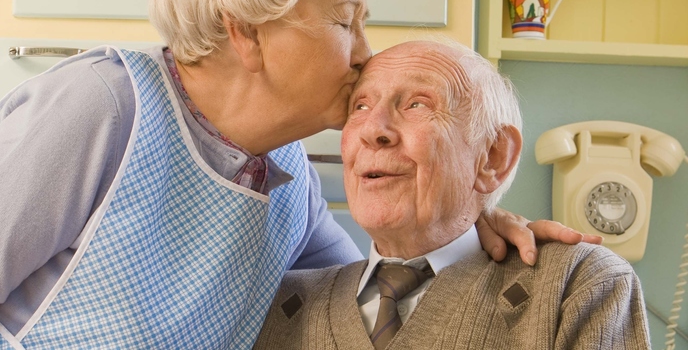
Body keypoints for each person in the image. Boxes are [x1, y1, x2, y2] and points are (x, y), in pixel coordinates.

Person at [0, 0, 592, 349]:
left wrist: (470, 223)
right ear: (245, 31)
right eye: (345, 20)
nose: (366, 52)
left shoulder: (286, 179)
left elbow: (361, 299)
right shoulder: (105, 107)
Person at [253, 39, 650, 349]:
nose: (373, 129)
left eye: (416, 104)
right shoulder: (281, 302)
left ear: (493, 156)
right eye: (359, 106)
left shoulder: (576, 286)